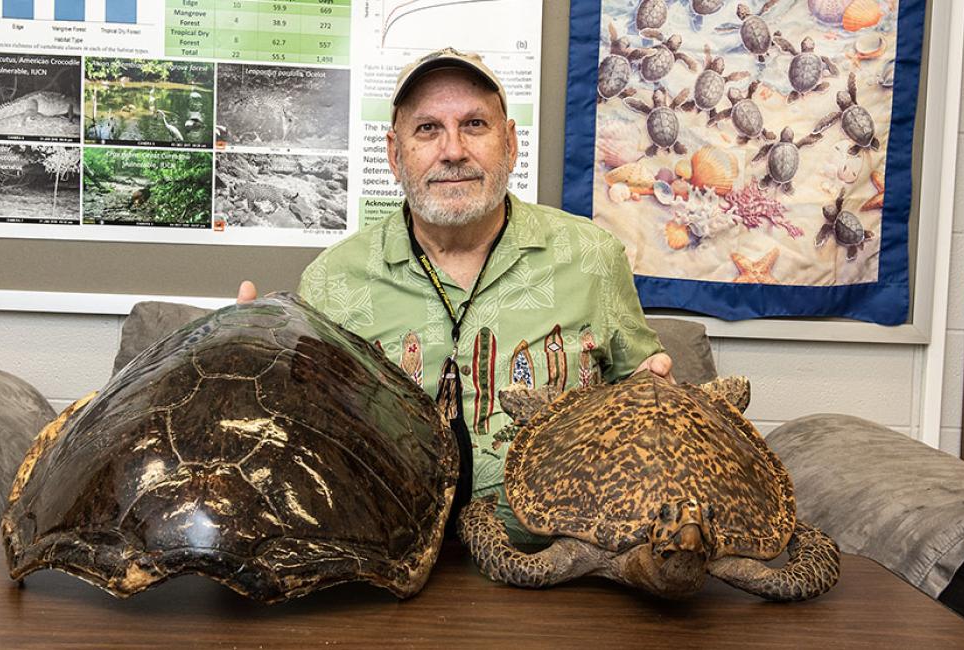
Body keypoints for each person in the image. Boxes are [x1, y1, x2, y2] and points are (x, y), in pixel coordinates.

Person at [237, 48, 672, 542]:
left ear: (509, 143)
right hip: (383, 568)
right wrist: (244, 375)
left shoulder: (594, 257)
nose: (453, 150)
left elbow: (645, 396)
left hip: (561, 568)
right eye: (427, 129)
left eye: (474, 124)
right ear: (394, 154)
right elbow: (298, 441)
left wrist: (659, 399)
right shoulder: (331, 281)